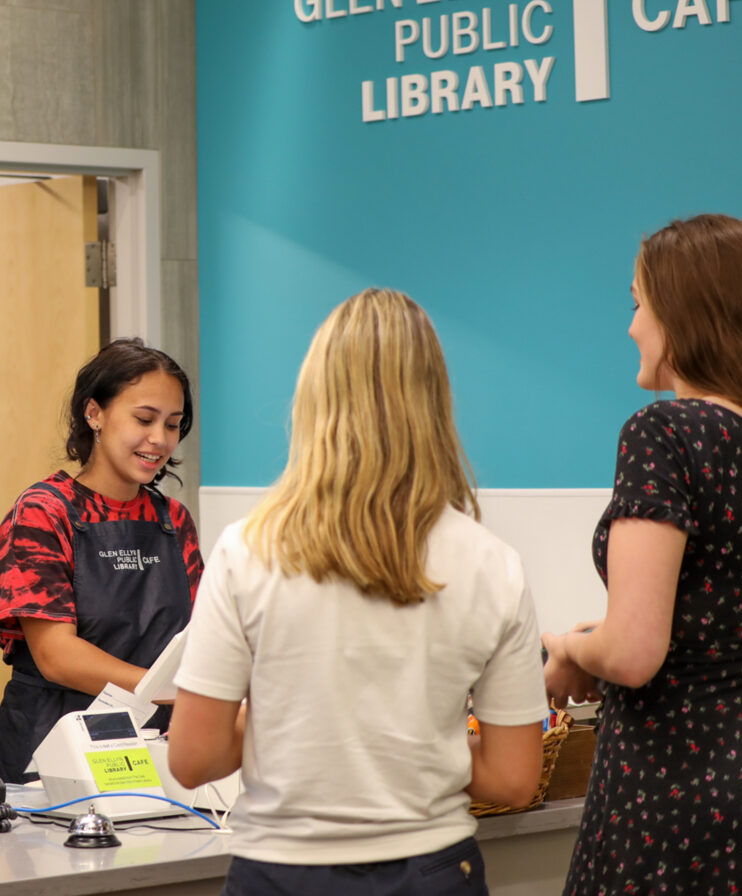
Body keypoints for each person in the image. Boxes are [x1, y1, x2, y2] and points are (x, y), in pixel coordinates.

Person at [168, 288, 548, 896]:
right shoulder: (493, 564)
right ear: (434, 401)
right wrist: (416, 750)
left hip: (280, 875)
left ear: (315, 397)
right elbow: (512, 779)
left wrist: (286, 727)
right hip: (432, 872)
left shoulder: (247, 550)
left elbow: (194, 758)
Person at [543, 213, 742, 895]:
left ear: (681, 314)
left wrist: (571, 647)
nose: (632, 327)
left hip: (676, 793)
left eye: (637, 304)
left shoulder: (664, 434)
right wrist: (720, 638)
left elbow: (632, 655)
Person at [0, 338, 203, 783]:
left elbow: (199, 635)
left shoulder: (174, 520)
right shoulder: (43, 512)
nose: (160, 439)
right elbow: (57, 656)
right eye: (144, 419)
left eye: (173, 424)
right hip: (52, 750)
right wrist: (168, 690)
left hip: (151, 745)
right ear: (95, 413)